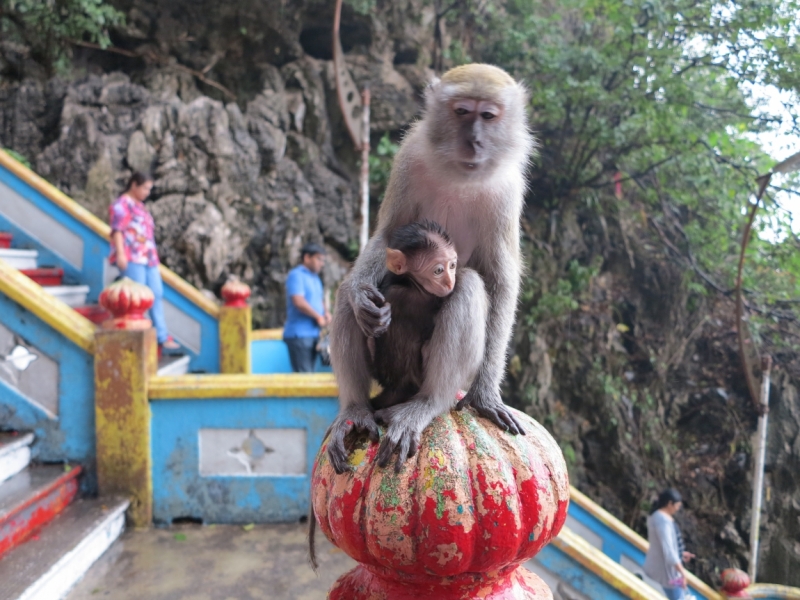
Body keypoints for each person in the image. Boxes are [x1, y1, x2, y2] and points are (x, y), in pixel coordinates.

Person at [109, 172, 180, 351]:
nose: (148, 192)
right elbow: (117, 230)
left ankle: (161, 336)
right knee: (135, 299)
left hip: (148, 257)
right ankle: (136, 337)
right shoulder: (122, 205)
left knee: (156, 293)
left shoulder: (140, 207)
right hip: (132, 256)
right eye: (145, 188)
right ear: (134, 185)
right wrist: (120, 254)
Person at [283, 243, 331, 372]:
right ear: (307, 258)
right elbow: (298, 301)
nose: (322, 263)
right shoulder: (296, 275)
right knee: (304, 375)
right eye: (319, 259)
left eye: (323, 260)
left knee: (310, 373)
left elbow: (319, 299)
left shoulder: (315, 278)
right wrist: (318, 316)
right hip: (299, 334)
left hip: (314, 333)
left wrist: (326, 313)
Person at [644, 488, 695, 600]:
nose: (677, 509)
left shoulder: (660, 516)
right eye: (677, 506)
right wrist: (683, 573)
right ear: (669, 504)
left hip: (669, 572)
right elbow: (669, 552)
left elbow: (668, 545)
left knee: (683, 595)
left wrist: (681, 553)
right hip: (667, 574)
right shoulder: (662, 521)